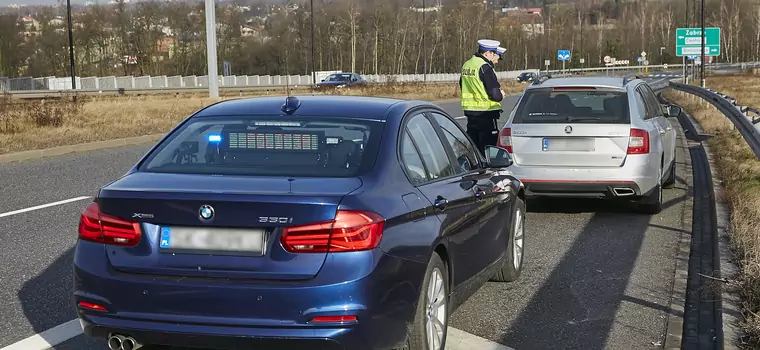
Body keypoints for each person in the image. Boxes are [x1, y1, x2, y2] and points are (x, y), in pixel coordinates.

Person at [459, 39, 506, 154]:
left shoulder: (467, 64)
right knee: (488, 150)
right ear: (487, 53)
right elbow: (495, 95)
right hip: (486, 113)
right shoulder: (484, 67)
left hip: (471, 113)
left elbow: (462, 84)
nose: (495, 57)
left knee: (474, 148)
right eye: (493, 53)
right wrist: (501, 95)